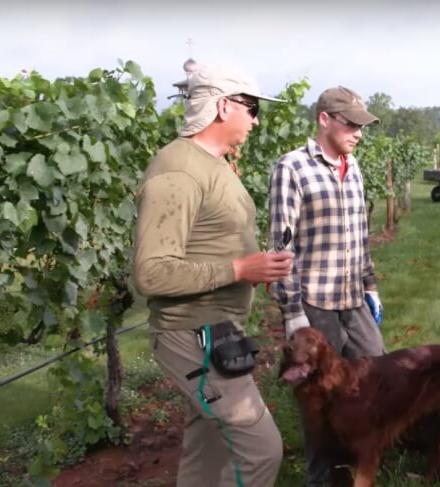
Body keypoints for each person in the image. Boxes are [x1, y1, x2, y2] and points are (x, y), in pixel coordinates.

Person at [133, 62, 292, 487]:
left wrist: (254, 268)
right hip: (193, 335)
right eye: (252, 107)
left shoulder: (214, 164)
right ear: (224, 106)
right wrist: (239, 267)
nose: (256, 120)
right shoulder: (179, 172)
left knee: (208, 450)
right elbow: (151, 273)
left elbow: (211, 243)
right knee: (261, 449)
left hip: (216, 331)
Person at [268, 85, 386, 485]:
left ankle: (357, 458)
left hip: (352, 297)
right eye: (351, 124)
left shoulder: (354, 168)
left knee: (372, 374)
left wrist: (370, 285)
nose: (358, 133)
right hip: (315, 302)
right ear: (324, 119)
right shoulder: (292, 168)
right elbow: (281, 246)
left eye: (361, 126)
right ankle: (322, 476)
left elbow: (360, 235)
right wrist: (292, 312)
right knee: (318, 394)